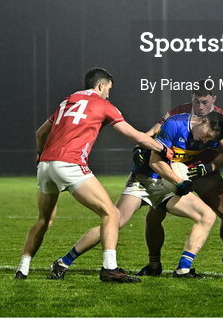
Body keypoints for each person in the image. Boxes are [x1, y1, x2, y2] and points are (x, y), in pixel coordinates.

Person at [15, 67, 165, 283]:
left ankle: (23, 269)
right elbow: (136, 136)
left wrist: (41, 155)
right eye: (108, 89)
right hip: (70, 163)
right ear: (101, 85)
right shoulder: (104, 105)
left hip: (46, 166)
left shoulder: (67, 101)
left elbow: (41, 133)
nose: (109, 94)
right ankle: (110, 269)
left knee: (44, 220)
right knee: (111, 214)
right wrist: (162, 149)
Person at [49, 110, 223, 279]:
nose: (205, 141)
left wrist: (207, 168)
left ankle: (183, 269)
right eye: (206, 135)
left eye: (209, 140)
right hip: (143, 180)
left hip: (166, 185)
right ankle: (63, 262)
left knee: (206, 216)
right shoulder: (175, 124)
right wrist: (179, 182)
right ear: (204, 121)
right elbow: (155, 162)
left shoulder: (209, 137)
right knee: (114, 222)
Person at [136, 91, 223, 278]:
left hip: (203, 173)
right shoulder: (176, 118)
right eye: (197, 101)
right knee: (154, 216)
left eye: (205, 102)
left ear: (213, 100)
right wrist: (140, 146)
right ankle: (154, 264)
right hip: (173, 172)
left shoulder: (220, 119)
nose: (201, 106)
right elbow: (153, 143)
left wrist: (221, 174)